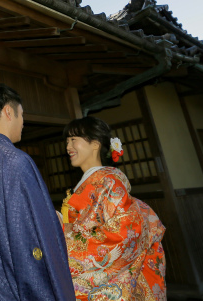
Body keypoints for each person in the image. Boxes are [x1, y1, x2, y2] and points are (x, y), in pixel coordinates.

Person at [0, 83, 75, 301]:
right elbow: (28, 241)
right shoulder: (15, 160)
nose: (23, 122)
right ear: (8, 111)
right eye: (21, 114)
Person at [60, 116, 167, 301]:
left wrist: (63, 231)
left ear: (95, 144)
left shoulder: (109, 182)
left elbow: (124, 233)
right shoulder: (90, 183)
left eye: (73, 140)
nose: (68, 147)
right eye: (67, 141)